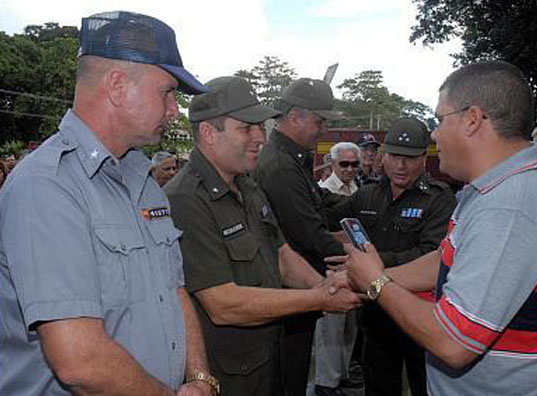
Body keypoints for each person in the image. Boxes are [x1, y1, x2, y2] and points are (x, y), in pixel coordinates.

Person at [0, 11, 216, 396]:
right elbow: (79, 361)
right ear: (117, 85)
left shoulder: (143, 180)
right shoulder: (47, 186)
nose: (173, 110)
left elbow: (174, 290)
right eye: (167, 92)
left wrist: (200, 379)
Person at [342, 61, 537, 395]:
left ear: (472, 120)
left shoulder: (507, 205)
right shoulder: (487, 189)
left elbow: (454, 341)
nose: (434, 133)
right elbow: (445, 260)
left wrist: (377, 282)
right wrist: (364, 276)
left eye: (440, 119)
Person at [164, 76, 361, 396]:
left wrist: (323, 285)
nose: (260, 136)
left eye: (260, 126)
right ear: (209, 133)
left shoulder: (246, 185)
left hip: (267, 358)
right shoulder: (185, 199)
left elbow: (282, 254)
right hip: (225, 375)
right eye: (246, 128)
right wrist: (319, 298)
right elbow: (222, 303)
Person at [336, 118, 456, 396]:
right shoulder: (367, 195)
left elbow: (431, 255)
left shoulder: (439, 198)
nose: (401, 166)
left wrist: (371, 266)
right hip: (377, 313)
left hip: (421, 313)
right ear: (383, 157)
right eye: (394, 157)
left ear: (424, 159)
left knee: (424, 385)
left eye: (410, 158)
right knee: (378, 385)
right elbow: (327, 217)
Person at [256, 77, 346, 396]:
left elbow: (319, 207)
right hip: (289, 287)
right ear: (295, 117)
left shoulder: (291, 159)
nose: (322, 130)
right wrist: (365, 265)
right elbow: (308, 233)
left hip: (298, 286)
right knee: (287, 377)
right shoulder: (280, 165)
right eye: (319, 121)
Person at [315, 141, 362, 395]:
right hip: (331, 265)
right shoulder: (323, 192)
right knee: (331, 327)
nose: (349, 169)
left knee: (349, 325)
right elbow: (319, 233)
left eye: (355, 164)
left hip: (355, 267)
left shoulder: (358, 189)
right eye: (344, 164)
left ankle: (342, 375)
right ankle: (326, 382)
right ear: (332, 164)